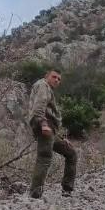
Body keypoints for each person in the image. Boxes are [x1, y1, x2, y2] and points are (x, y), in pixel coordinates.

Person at [26, 69, 78, 198]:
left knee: (71, 153)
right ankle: (35, 194)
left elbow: (49, 112)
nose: (57, 80)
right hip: (45, 127)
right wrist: (43, 124)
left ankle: (67, 189)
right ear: (46, 76)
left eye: (59, 79)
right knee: (44, 158)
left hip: (51, 130)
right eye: (54, 77)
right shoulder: (43, 85)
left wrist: (61, 137)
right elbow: (39, 106)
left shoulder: (47, 89)